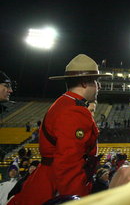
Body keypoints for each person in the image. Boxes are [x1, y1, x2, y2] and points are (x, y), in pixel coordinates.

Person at [9, 54, 111, 205]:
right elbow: (69, 165)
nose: (99, 86)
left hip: (48, 181)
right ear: (84, 83)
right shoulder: (74, 111)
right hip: (54, 188)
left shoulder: (65, 103)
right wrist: (78, 200)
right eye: (96, 81)